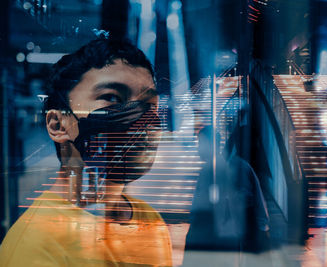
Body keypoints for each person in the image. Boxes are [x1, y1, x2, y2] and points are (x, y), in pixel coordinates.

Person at [0, 38, 173, 266]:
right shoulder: (35, 247)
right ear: (58, 125)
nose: (140, 117)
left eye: (149, 105)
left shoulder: (150, 220)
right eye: (111, 97)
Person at [184, 126, 269, 256]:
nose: (198, 148)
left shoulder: (233, 167)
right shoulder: (209, 170)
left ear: (212, 144)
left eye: (201, 143)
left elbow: (245, 204)